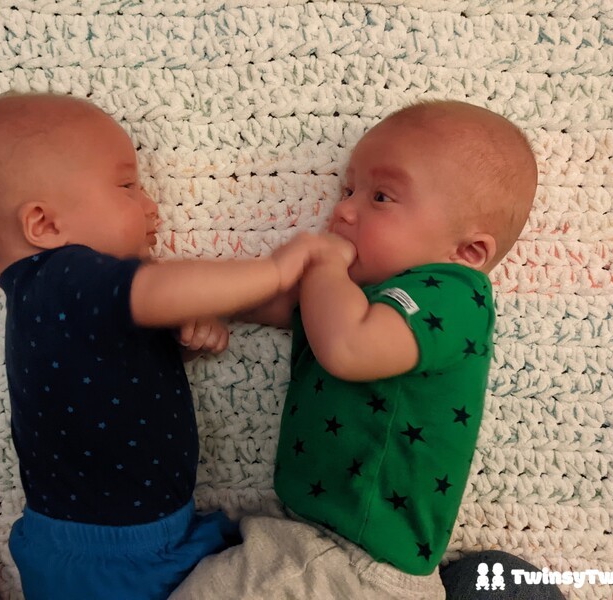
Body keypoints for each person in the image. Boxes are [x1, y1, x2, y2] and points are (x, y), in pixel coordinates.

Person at [0, 92, 351, 600]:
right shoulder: (61, 274)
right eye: (127, 186)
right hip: (109, 558)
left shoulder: (57, 297)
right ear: (45, 226)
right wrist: (276, 270)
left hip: (129, 539)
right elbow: (161, 287)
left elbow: (112, 367)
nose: (150, 205)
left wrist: (181, 341)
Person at [172, 100, 564, 599]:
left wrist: (320, 265)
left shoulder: (451, 293)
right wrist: (217, 310)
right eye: (348, 190)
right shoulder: (361, 298)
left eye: (380, 196)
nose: (343, 209)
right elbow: (288, 308)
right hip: (322, 545)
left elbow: (348, 348)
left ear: (467, 253)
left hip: (356, 564)